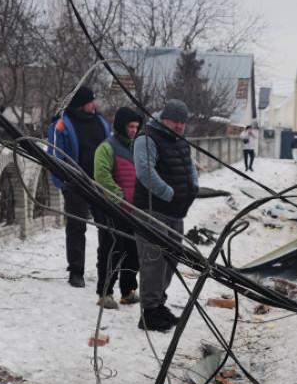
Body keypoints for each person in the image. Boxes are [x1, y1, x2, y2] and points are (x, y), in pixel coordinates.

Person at [132, 99, 198, 332]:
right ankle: (148, 312)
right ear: (163, 118)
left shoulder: (178, 140)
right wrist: (167, 193)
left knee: (171, 259)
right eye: (175, 121)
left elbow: (189, 165)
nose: (179, 126)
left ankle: (159, 304)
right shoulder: (147, 138)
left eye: (183, 122)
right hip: (153, 209)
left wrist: (194, 186)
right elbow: (144, 171)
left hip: (176, 212)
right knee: (154, 261)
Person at [47, 85, 110, 288]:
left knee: (108, 226)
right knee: (77, 227)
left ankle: (107, 268)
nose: (95, 104)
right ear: (81, 104)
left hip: (100, 184)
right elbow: (54, 157)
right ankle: (76, 270)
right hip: (76, 185)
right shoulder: (61, 125)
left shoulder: (100, 122)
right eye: (91, 101)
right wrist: (65, 184)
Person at [93, 107, 143, 309]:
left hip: (134, 211)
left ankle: (128, 291)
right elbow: (101, 175)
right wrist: (118, 195)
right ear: (122, 126)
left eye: (137, 127)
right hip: (114, 210)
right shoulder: (107, 148)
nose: (133, 130)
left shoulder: (137, 148)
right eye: (131, 126)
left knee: (133, 253)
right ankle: (105, 292)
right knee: (112, 251)